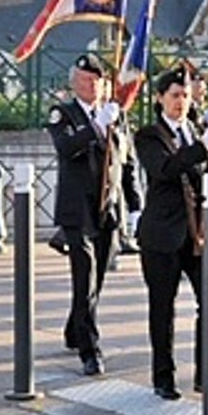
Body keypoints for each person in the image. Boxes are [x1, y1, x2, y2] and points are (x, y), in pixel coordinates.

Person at [132, 66, 208, 399]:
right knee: (163, 307)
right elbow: (165, 169)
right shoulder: (149, 135)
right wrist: (202, 148)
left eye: (185, 95)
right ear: (160, 99)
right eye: (174, 96)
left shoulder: (197, 129)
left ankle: (207, 373)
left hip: (198, 233)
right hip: (163, 234)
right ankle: (163, 377)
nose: (181, 102)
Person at [47, 54, 142, 376]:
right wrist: (95, 126)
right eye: (86, 79)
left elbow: (126, 164)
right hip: (78, 211)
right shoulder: (64, 114)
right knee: (84, 277)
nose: (92, 85)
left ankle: (75, 328)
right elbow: (66, 148)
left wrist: (136, 206)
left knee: (96, 280)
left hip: (108, 210)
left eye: (98, 80)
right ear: (75, 82)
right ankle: (90, 349)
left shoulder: (117, 115)